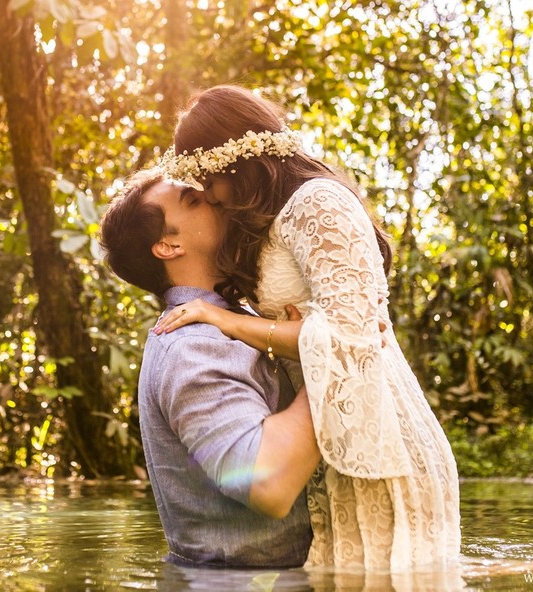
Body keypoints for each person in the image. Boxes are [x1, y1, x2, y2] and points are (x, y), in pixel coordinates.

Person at [153, 84, 462, 572]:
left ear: (237, 160)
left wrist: (229, 321)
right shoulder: (266, 221)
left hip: (379, 439)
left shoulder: (318, 203)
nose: (208, 193)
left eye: (207, 177)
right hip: (323, 442)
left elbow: (353, 341)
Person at [99, 169, 322, 569]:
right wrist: (329, 356)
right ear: (168, 244)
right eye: (192, 199)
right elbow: (267, 484)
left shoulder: (233, 321)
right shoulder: (192, 346)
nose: (213, 194)